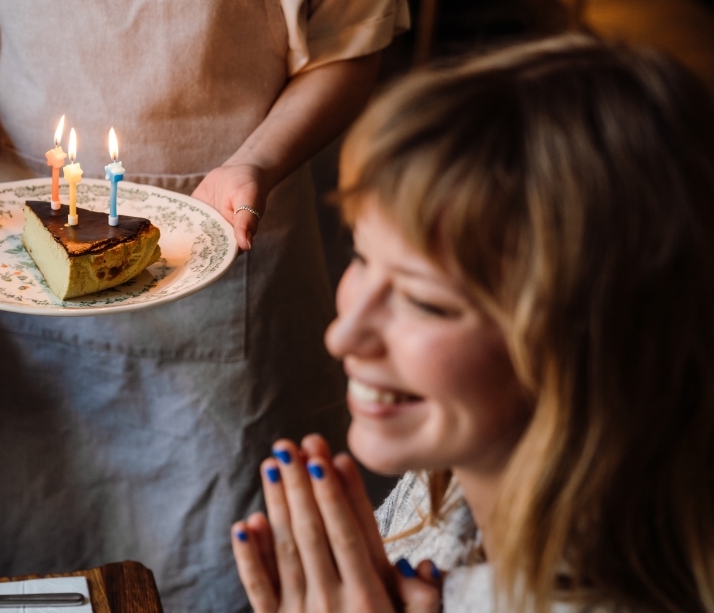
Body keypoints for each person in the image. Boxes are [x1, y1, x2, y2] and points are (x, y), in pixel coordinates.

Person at [0, 0, 407, 611]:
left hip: (231, 249)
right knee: (37, 561)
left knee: (223, 567)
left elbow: (344, 46)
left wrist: (255, 163)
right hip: (23, 271)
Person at [231, 35, 714, 612]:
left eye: (425, 302)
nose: (343, 335)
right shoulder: (459, 471)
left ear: (598, 342)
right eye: (361, 257)